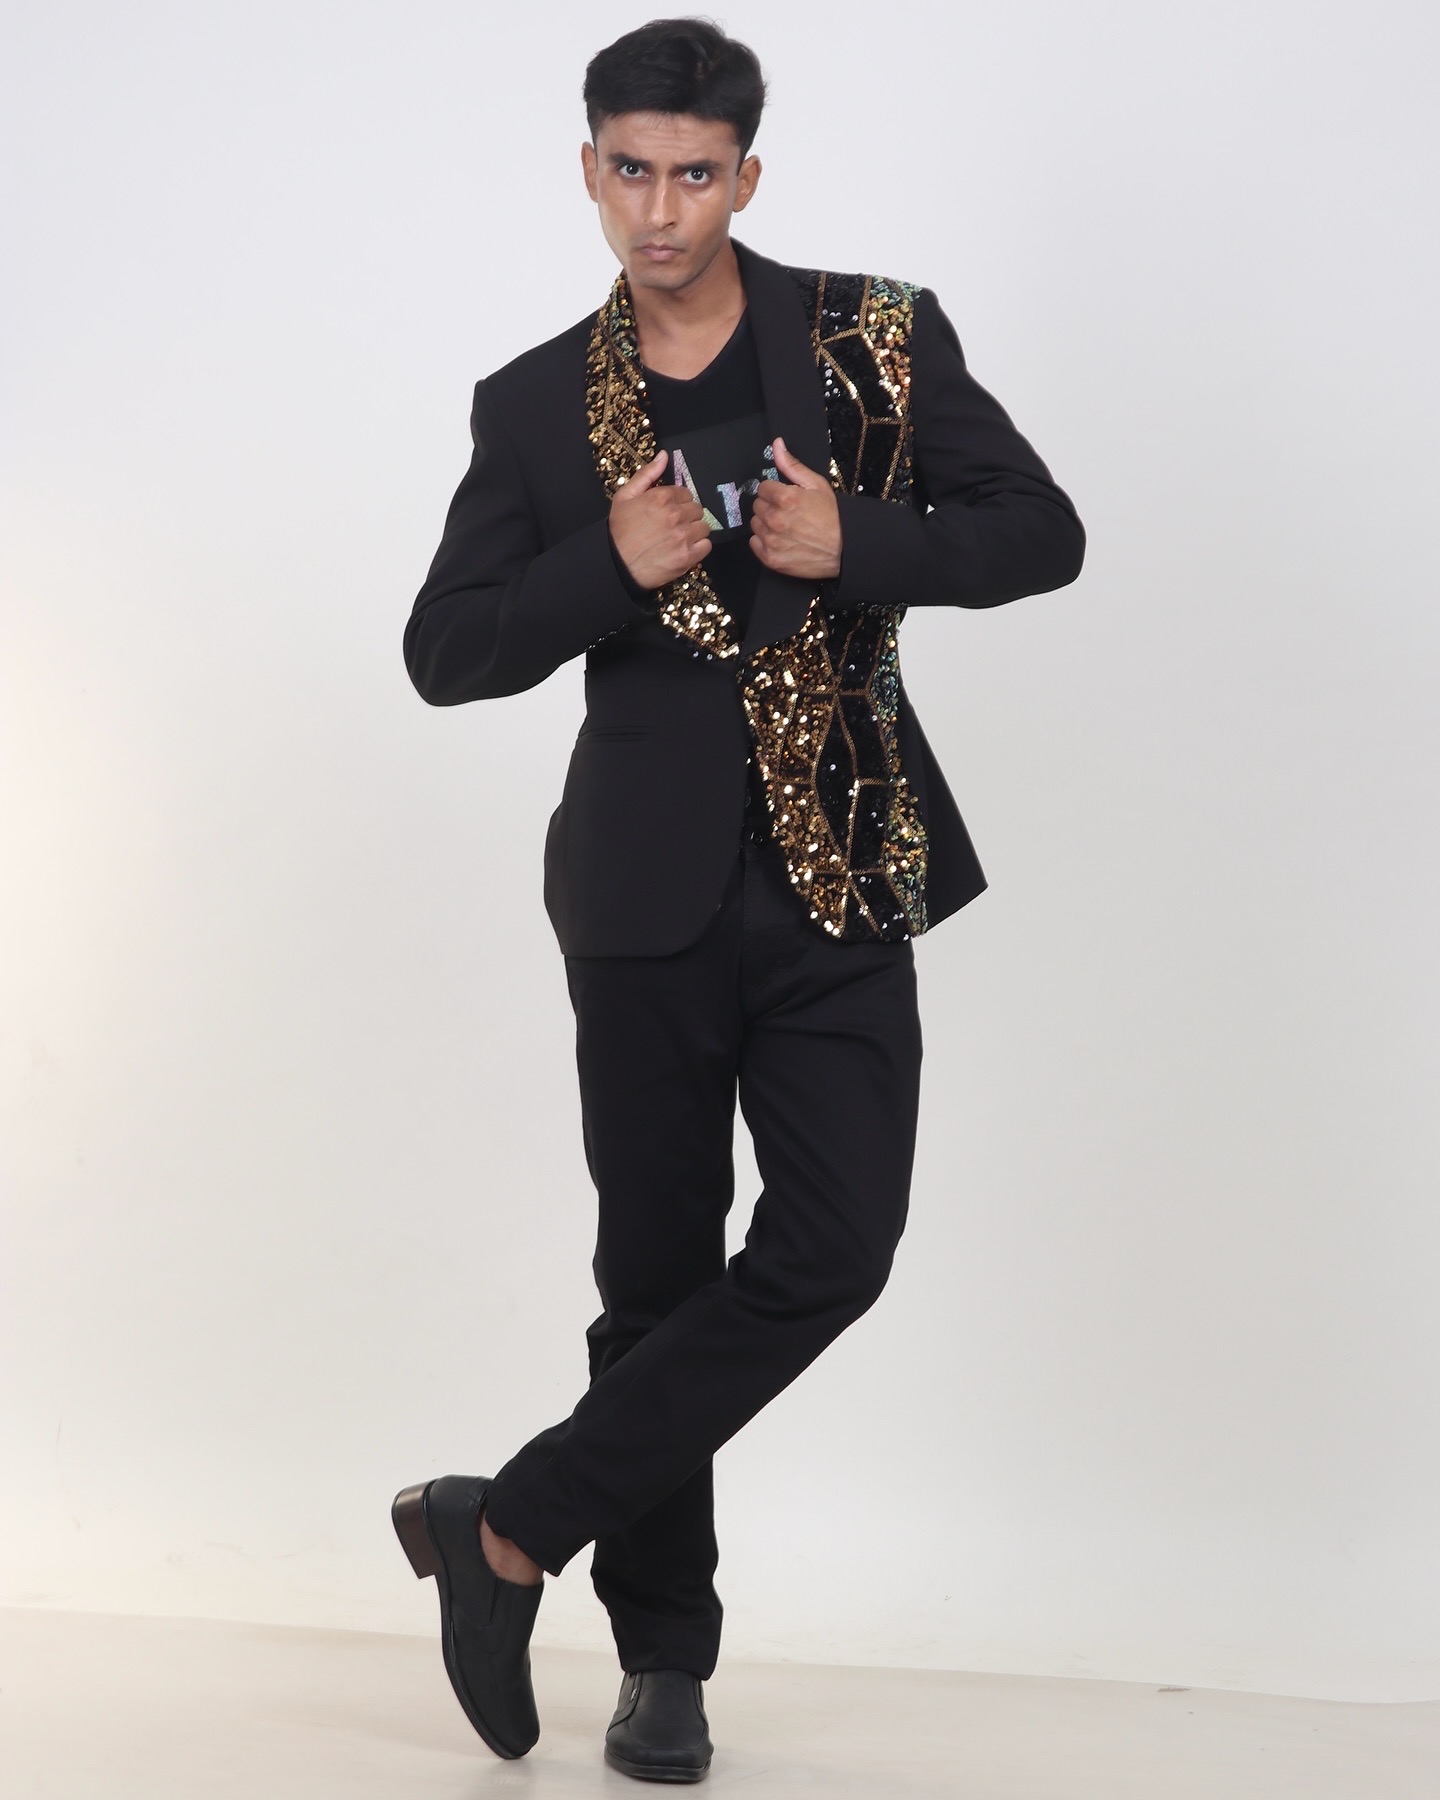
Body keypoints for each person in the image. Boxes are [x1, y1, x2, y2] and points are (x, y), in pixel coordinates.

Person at [392, 16, 1084, 1784]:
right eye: (630, 170)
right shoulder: (533, 402)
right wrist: (599, 566)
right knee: (654, 1278)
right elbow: (446, 651)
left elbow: (1042, 530)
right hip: (639, 893)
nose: (660, 210)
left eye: (695, 174)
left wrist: (868, 541)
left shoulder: (873, 336)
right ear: (589, 170)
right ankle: (665, 1663)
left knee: (836, 1248)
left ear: (747, 177)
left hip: (844, 870)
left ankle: (504, 1528)